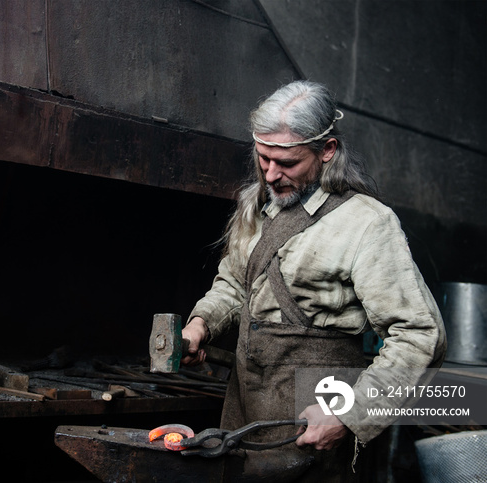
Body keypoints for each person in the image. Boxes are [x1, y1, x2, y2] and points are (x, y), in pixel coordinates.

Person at [180, 80, 446, 481]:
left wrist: (350, 414)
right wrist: (201, 323)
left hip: (317, 414)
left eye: (287, 163)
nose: (270, 174)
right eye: (263, 158)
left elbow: (420, 335)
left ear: (327, 151)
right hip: (245, 408)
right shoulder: (257, 207)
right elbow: (236, 285)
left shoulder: (368, 223)